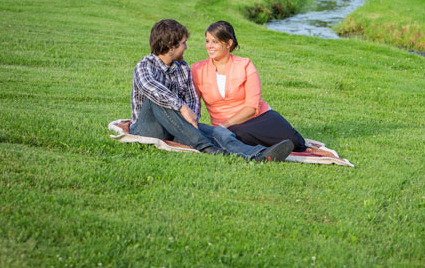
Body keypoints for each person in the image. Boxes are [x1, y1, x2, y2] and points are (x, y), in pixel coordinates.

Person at [129, 19, 294, 162]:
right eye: (183, 43)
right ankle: (207, 147)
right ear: (171, 47)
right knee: (157, 99)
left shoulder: (182, 67)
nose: (186, 47)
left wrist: (192, 121)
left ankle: (258, 155)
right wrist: (182, 107)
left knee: (219, 133)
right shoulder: (145, 65)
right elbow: (150, 87)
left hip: (174, 128)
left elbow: (192, 99)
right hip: (147, 129)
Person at [191, 21, 307, 153]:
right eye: (207, 41)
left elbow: (252, 107)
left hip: (259, 117)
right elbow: (194, 104)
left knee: (297, 143)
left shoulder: (245, 65)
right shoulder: (198, 69)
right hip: (231, 128)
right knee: (237, 134)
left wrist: (224, 126)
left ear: (229, 44)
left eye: (215, 42)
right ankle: (264, 151)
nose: (209, 46)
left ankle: (266, 145)